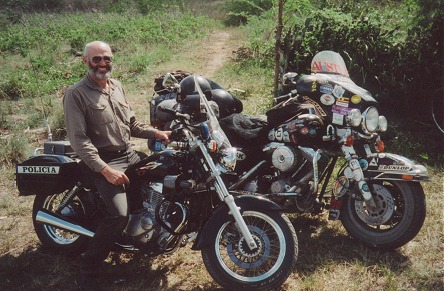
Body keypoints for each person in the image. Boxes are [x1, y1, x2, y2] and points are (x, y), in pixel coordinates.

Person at [63, 40, 171, 290]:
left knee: (164, 177)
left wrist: (157, 133)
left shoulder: (117, 86)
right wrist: (106, 170)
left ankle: (148, 234)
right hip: (101, 162)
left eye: (107, 58)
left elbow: (131, 125)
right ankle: (88, 270)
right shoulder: (76, 94)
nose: (102, 63)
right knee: (118, 215)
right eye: (97, 59)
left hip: (128, 154)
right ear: (85, 61)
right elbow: (79, 141)